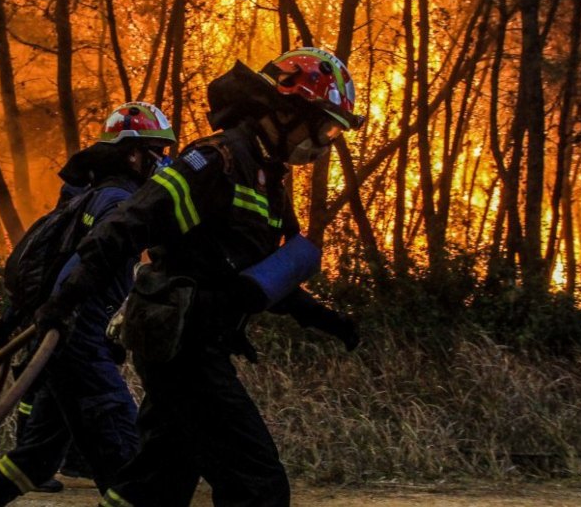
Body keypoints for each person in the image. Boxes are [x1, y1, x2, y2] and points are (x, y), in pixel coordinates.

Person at [35, 47, 364, 507]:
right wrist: (65, 302)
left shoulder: (269, 180)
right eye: (327, 126)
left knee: (154, 486)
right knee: (258, 486)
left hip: (193, 341)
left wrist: (326, 319)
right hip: (182, 348)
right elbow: (126, 224)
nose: (327, 142)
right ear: (288, 109)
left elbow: (258, 273)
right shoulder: (216, 160)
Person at [0, 103, 178, 506]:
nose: (162, 162)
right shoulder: (120, 204)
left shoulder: (92, 196)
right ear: (132, 154)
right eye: (156, 151)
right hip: (80, 346)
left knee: (37, 457)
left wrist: (16, 321)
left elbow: (55, 265)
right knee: (130, 464)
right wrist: (64, 313)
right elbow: (81, 266)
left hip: (66, 343)